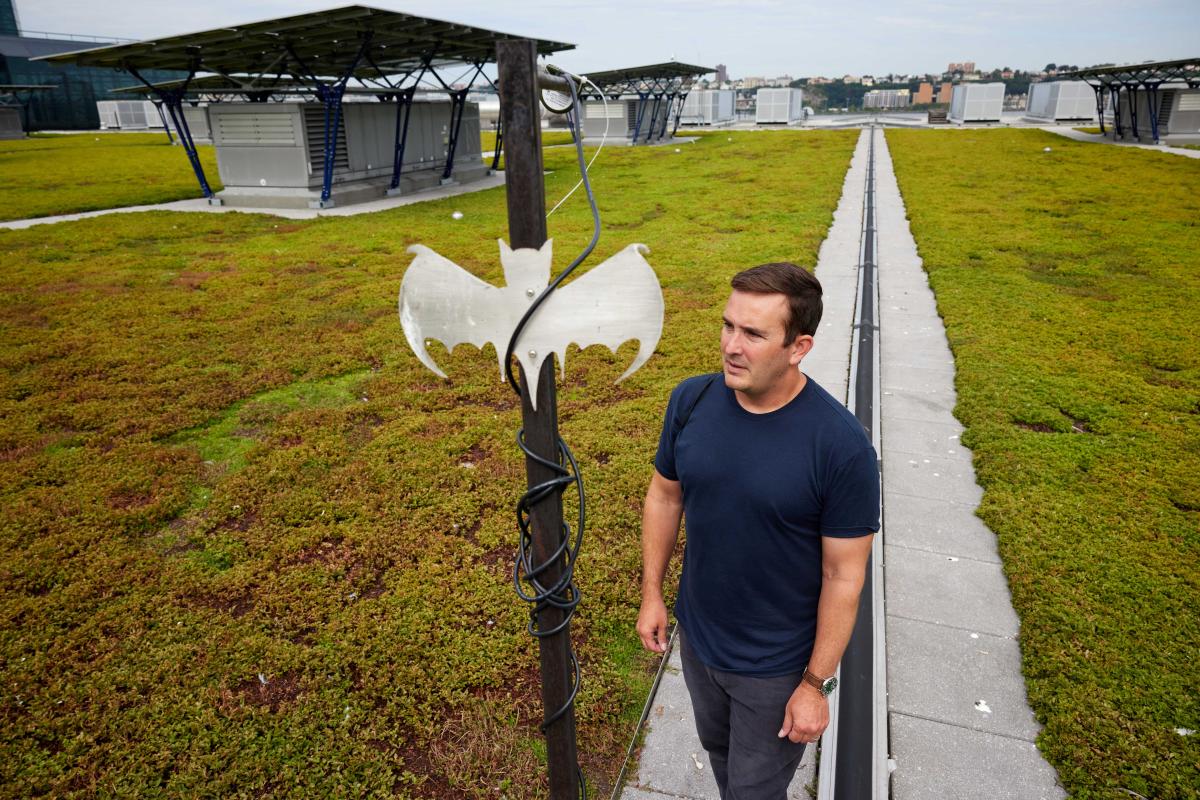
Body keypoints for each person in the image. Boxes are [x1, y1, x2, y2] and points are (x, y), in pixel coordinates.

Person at [637, 262, 880, 798]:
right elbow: (665, 494)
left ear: (800, 347)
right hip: (699, 641)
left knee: (754, 791)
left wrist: (815, 685)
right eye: (728, 326)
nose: (731, 346)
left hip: (775, 668)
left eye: (753, 334)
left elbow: (844, 575)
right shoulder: (692, 400)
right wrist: (652, 593)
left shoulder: (841, 448)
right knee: (722, 759)